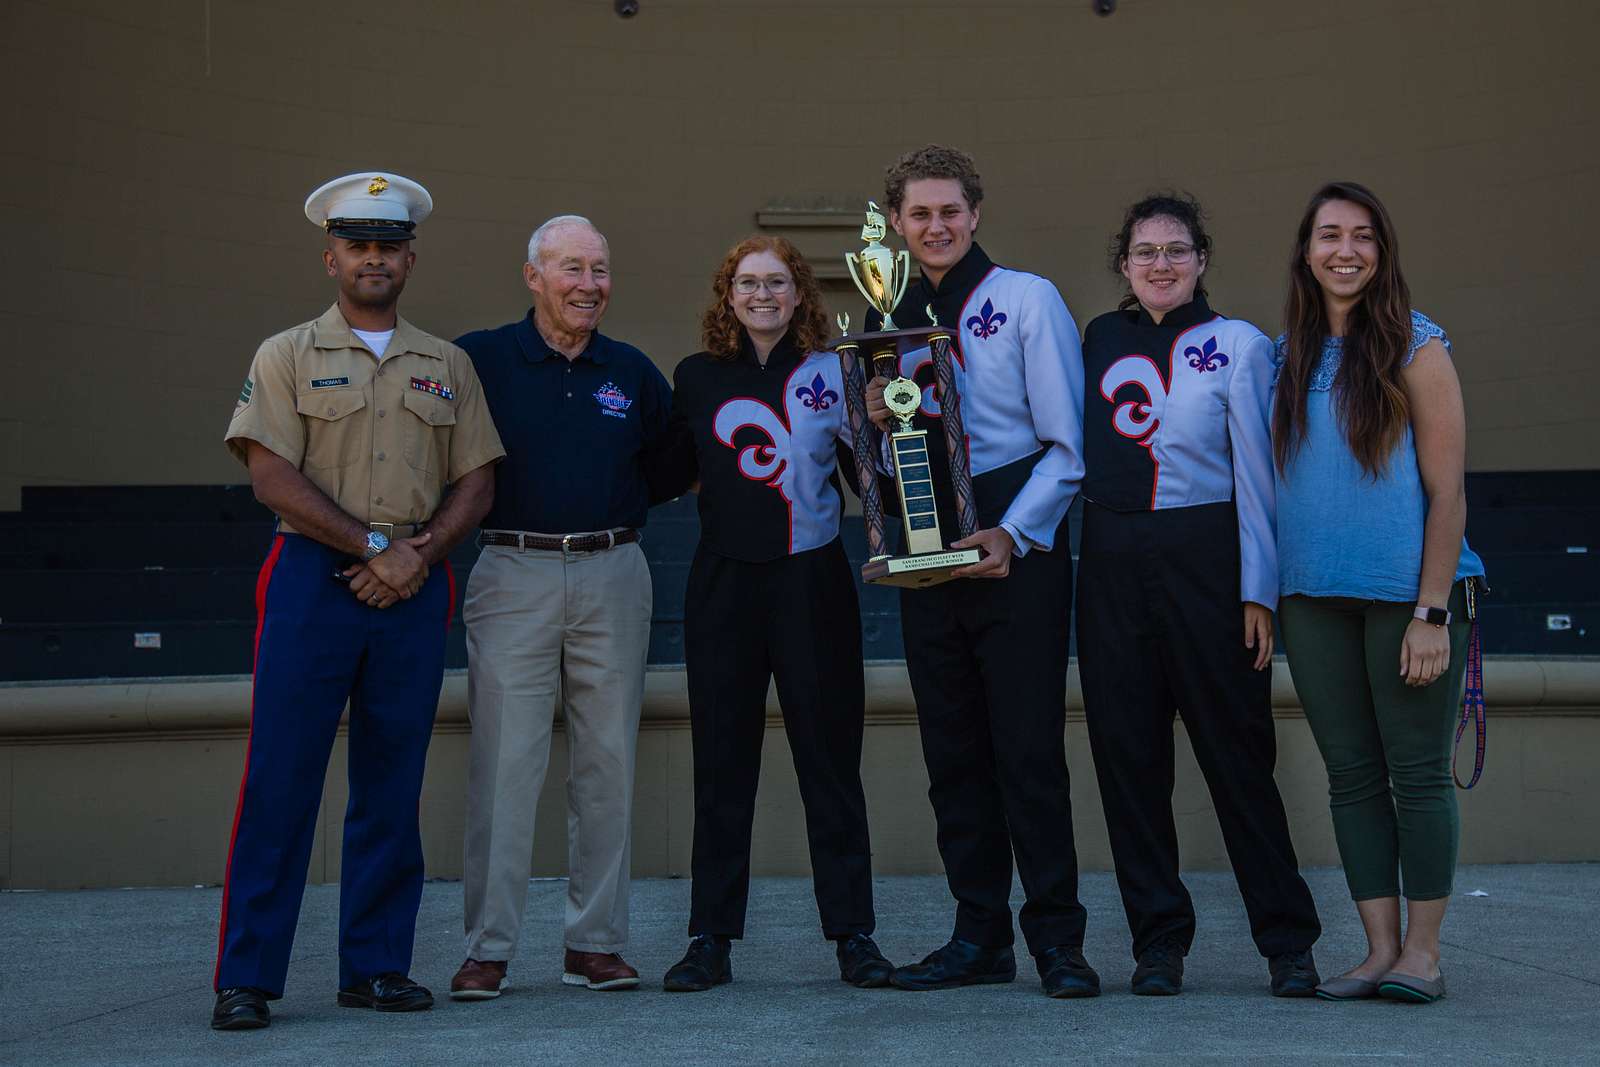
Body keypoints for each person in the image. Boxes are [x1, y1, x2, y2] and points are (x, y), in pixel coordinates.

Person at [211, 171, 505, 1030]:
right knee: (280, 779)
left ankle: (375, 966)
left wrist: (414, 555)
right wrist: (377, 548)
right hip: (313, 578)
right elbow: (270, 474)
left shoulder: (446, 362)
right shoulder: (286, 354)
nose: (373, 259)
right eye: (358, 246)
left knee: (392, 779)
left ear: (410, 258)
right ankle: (247, 976)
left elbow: (477, 481)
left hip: (417, 581)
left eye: (389, 247)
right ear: (331, 256)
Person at [860, 145, 1098, 998]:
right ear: (896, 222)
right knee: (952, 750)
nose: (936, 226)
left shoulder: (1025, 299)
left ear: (976, 213)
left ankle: (1059, 941)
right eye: (918, 214)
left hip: (1015, 535)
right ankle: (978, 934)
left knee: (1027, 749)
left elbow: (1070, 446)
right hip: (927, 537)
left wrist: (1015, 531)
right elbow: (888, 441)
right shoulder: (884, 315)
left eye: (950, 211)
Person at [1077, 192, 1322, 998]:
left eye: (1176, 250)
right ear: (1124, 263)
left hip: (1207, 560)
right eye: (1144, 251)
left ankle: (1287, 941)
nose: (1160, 263)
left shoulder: (1239, 344)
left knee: (1238, 758)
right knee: (1130, 762)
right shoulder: (1099, 338)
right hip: (1112, 561)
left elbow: (1259, 473)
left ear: (1202, 259)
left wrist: (1258, 592)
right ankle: (1158, 943)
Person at [655, 236, 894, 993]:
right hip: (723, 586)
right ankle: (711, 937)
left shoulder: (837, 372)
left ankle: (853, 934)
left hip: (812, 581)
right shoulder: (694, 378)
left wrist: (895, 427)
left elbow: (872, 481)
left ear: (800, 295)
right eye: (749, 283)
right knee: (722, 767)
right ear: (729, 295)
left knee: (830, 762)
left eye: (778, 282)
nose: (763, 295)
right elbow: (660, 470)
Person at [449, 215, 675, 1000]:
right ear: (533, 276)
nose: (589, 284)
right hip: (514, 567)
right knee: (506, 764)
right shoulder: (478, 358)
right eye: (572, 268)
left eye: (601, 270)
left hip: (614, 568)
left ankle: (598, 942)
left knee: (607, 762)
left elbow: (670, 465)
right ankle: (489, 946)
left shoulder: (633, 370)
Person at [1272, 181, 1486, 1004]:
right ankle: (1377, 948)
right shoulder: (1282, 353)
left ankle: (1423, 955)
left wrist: (1432, 612)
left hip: (1411, 601)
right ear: (1306, 250)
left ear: (1382, 251)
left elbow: (1449, 492)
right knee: (1351, 776)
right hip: (1313, 599)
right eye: (1329, 234)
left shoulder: (1417, 347)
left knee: (1418, 775)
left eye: (1362, 235)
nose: (1345, 250)